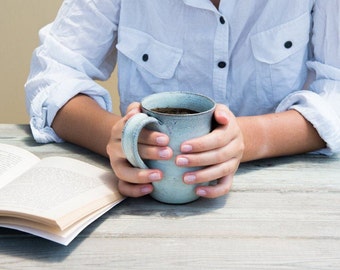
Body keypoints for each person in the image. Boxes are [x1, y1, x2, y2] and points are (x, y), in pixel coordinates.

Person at [25, 0, 340, 199]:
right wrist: (118, 138)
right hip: (143, 201)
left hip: (286, 199)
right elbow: (52, 76)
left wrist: (249, 138)